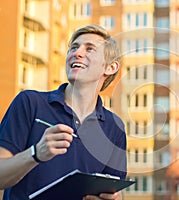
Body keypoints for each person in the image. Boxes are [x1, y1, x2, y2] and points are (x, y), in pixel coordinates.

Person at [0, 24, 127, 200]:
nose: (77, 53)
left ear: (110, 68)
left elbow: (115, 192)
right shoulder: (29, 102)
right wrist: (35, 153)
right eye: (74, 47)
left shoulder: (114, 127)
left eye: (89, 49)